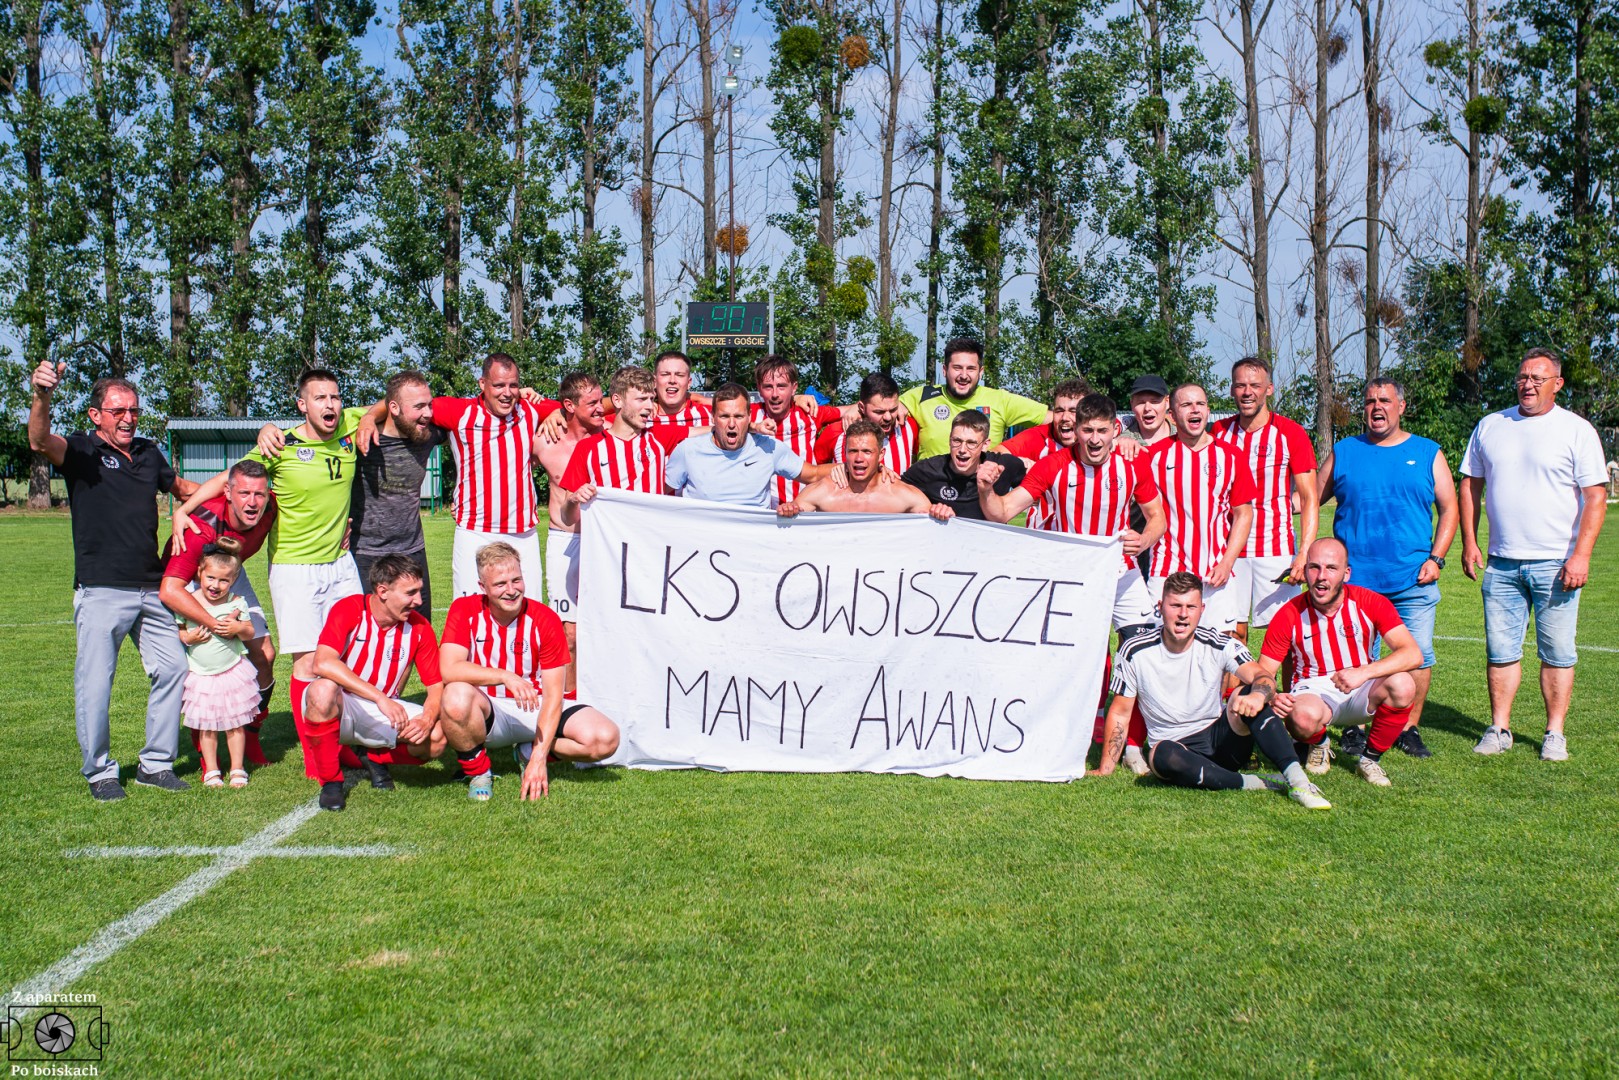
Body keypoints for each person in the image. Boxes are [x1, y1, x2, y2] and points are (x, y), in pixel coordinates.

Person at [30, 361, 198, 800]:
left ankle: (155, 764)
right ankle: (100, 772)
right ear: (95, 415)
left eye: (134, 410)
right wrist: (42, 396)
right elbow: (39, 440)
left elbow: (184, 489)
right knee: (96, 683)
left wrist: (245, 491)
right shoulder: (81, 450)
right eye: (118, 410)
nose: (128, 418)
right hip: (101, 588)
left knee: (174, 668)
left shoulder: (148, 453)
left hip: (152, 587)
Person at [979, 394, 1166, 775]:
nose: (1095, 439)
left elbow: (1157, 516)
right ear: (1076, 431)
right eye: (1087, 430)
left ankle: (1136, 742)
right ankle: (1058, 732)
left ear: (1115, 430)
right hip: (1073, 574)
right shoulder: (1054, 465)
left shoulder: (1134, 463)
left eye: (1102, 431)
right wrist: (985, 490)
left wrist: (1145, 539)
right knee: (1066, 655)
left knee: (1143, 651)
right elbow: (1003, 512)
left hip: (1122, 572)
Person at [173, 368, 369, 698]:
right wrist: (184, 509)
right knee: (308, 663)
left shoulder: (350, 422)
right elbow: (228, 478)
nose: (330, 404)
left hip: (341, 562)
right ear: (302, 405)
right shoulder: (280, 444)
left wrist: (369, 418)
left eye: (335, 397)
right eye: (320, 398)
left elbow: (389, 404)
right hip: (295, 568)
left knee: (354, 654)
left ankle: (346, 728)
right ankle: (311, 733)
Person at [1460, 348, 1608, 761]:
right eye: (1523, 377)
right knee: (1500, 651)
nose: (1527, 384)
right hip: (1501, 562)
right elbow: (1470, 484)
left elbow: (1596, 497)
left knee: (1557, 653)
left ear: (1557, 384)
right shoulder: (1491, 425)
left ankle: (1554, 733)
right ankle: (1499, 728)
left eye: (1537, 378)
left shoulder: (1577, 430)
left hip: (1557, 564)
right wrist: (1470, 542)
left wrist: (1581, 557)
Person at [1096, 572, 1331, 810]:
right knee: (1160, 754)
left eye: (1191, 607)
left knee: (1249, 692)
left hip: (1221, 742)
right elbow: (1120, 712)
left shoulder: (1219, 643)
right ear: (1160, 607)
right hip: (1175, 749)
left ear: (1202, 609)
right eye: (1175, 605)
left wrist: (1258, 695)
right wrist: (1106, 768)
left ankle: (1299, 782)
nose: (1183, 614)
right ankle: (1256, 782)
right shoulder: (1134, 650)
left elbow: (1263, 677)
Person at [1318, 377, 1458, 759]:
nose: (1376, 407)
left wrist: (1437, 558)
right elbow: (1309, 497)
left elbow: (1450, 508)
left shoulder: (1428, 452)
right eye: (1369, 401)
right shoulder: (1345, 451)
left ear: (1401, 406)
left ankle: (1408, 728)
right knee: (1354, 656)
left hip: (1412, 579)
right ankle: (1354, 728)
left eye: (1384, 400)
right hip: (1355, 581)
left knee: (1418, 654)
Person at [439, 542, 621, 802]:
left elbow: (554, 696)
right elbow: (449, 669)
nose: (511, 590)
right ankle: (479, 771)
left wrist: (539, 757)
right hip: (488, 710)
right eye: (500, 584)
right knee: (454, 695)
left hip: (536, 707)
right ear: (483, 587)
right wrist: (504, 676)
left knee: (605, 739)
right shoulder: (464, 609)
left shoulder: (545, 618)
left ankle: (526, 752)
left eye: (516, 580)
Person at [1254, 538, 1422, 786]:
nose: (1321, 576)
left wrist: (1363, 672)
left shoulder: (1370, 602)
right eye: (1314, 567)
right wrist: (1272, 696)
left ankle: (1369, 760)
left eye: (1331, 568)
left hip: (1362, 687)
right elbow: (1263, 671)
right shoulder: (1289, 613)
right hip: (1312, 692)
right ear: (1305, 571)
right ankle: (1320, 743)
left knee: (1403, 684)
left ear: (1346, 573)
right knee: (1299, 716)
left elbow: (1413, 654)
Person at [298, 554, 446, 812]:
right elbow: (322, 663)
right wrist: (380, 697)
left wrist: (426, 719)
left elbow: (436, 687)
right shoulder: (351, 608)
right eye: (410, 593)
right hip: (342, 704)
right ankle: (331, 783)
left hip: (384, 711)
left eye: (419, 591)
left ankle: (374, 756)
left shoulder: (420, 627)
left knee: (438, 737)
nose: (419, 601)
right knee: (321, 690)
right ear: (382, 591)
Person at [159, 459, 277, 765]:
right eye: (244, 494)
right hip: (190, 578)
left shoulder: (271, 506)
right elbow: (169, 589)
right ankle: (204, 752)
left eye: (259, 494)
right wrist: (215, 623)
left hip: (229, 571)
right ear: (227, 493)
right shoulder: (201, 528)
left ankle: (250, 735)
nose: (252, 502)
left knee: (265, 653)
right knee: (201, 666)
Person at [421, 354, 555, 597]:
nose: (507, 393)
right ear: (482, 384)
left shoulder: (529, 409)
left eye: (513, 385)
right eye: (499, 385)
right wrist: (367, 418)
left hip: (523, 532)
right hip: (475, 531)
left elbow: (583, 408)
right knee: (469, 611)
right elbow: (404, 404)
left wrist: (558, 414)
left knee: (529, 609)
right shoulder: (459, 412)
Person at [1210, 357, 1320, 640]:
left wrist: (1304, 554)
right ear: (1232, 390)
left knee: (1284, 637)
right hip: (1228, 551)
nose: (1247, 392)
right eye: (1240, 385)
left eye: (1255, 385)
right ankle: (1234, 674)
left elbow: (1309, 498)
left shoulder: (1291, 433)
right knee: (1230, 633)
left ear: (1269, 389)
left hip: (1275, 548)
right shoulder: (1218, 432)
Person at [1141, 383, 1256, 635]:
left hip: (1215, 574)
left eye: (1200, 404)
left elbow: (1244, 513)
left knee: (1221, 648)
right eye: (1186, 405)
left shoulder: (1231, 456)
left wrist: (1227, 563)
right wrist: (1122, 442)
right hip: (1166, 570)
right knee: (1162, 647)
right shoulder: (1152, 457)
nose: (1195, 409)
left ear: (1208, 410)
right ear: (1172, 415)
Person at [348, 370, 447, 615]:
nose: (428, 413)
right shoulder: (361, 437)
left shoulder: (427, 434)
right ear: (393, 407)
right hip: (365, 555)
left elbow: (480, 409)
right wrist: (268, 429)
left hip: (412, 552)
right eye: (419, 406)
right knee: (369, 632)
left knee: (419, 631)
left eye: (429, 405)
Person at [534, 371, 607, 694]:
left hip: (604, 543)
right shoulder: (545, 440)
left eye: (601, 400)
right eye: (592, 403)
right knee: (570, 634)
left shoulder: (613, 436)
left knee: (605, 629)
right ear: (569, 405)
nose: (601, 408)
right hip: (566, 541)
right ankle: (568, 702)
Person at [175, 547, 260, 789]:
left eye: (224, 580)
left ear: (233, 580)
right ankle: (212, 770)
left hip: (232, 671)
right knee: (207, 726)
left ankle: (237, 768)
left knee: (236, 723)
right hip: (201, 675)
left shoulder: (237, 602)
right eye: (210, 578)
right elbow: (180, 631)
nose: (216, 585)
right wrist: (188, 638)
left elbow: (249, 631)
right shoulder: (188, 602)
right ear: (199, 573)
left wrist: (237, 628)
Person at [666, 383, 831, 507]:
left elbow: (814, 474)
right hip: (703, 540)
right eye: (724, 416)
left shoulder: (768, 448)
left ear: (749, 417)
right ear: (713, 417)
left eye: (738, 416)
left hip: (754, 540)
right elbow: (660, 496)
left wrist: (845, 469)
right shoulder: (687, 450)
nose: (732, 424)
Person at [898, 338, 1050, 460]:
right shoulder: (920, 397)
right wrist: (898, 405)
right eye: (957, 368)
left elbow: (1054, 419)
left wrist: (1013, 449)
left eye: (971, 369)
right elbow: (888, 408)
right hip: (929, 487)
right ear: (944, 370)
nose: (964, 375)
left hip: (982, 488)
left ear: (981, 372)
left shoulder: (1000, 400)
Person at [778, 422, 944, 517]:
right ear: (845, 453)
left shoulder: (901, 494)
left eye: (867, 452)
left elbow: (933, 525)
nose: (859, 458)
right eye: (853, 451)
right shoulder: (825, 491)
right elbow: (793, 523)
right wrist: (788, 510)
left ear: (881, 454)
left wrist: (941, 512)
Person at [997, 377, 1092, 531]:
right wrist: (1019, 463)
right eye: (1059, 411)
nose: (1065, 418)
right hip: (1043, 536)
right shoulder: (1040, 436)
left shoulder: (1101, 441)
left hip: (1088, 537)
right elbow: (997, 454)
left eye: (1073, 411)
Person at [900, 410, 1026, 520]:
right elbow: (897, 491)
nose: (962, 449)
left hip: (991, 540)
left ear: (985, 445)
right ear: (949, 440)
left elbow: (1034, 489)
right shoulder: (928, 469)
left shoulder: (1004, 466)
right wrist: (928, 507)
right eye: (957, 441)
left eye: (971, 443)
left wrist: (1031, 466)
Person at [751, 355, 843, 504]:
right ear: (759, 389)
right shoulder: (746, 415)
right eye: (768, 387)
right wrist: (752, 427)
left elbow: (859, 409)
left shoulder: (809, 413)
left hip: (804, 510)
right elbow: (715, 408)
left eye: (782, 386)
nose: (775, 394)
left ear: (794, 388)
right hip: (763, 513)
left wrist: (895, 405)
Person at [813, 371, 920, 475]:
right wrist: (836, 471)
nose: (888, 417)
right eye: (879, 412)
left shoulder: (908, 426)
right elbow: (811, 473)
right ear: (861, 407)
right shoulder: (837, 432)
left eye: (893, 410)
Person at [649, 350, 714, 426]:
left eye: (679, 375)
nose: (672, 380)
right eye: (665, 374)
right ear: (655, 381)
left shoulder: (711, 415)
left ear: (689, 383)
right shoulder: (642, 417)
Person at [1120, 374, 1175, 446]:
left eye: (1154, 402)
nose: (1147, 408)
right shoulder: (1119, 444)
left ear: (1167, 402)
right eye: (1141, 402)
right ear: (1132, 404)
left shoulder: (1184, 438)